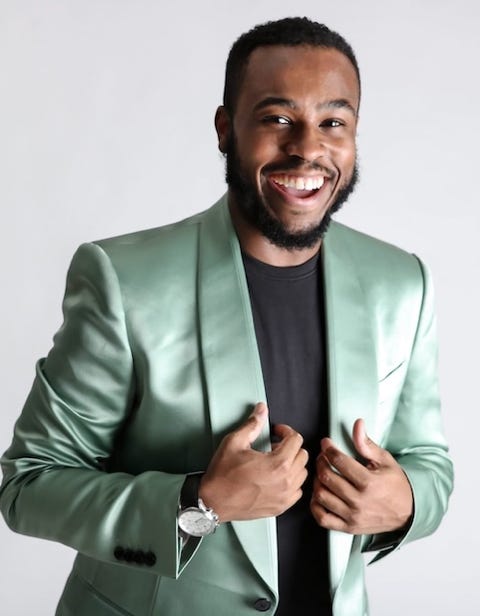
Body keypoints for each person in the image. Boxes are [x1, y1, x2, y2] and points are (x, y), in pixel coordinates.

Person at [0, 17, 453, 616]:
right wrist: (199, 503)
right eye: (278, 119)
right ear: (225, 129)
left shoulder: (402, 283)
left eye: (333, 123)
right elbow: (29, 484)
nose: (308, 148)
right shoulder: (122, 279)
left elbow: (429, 461)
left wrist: (407, 504)